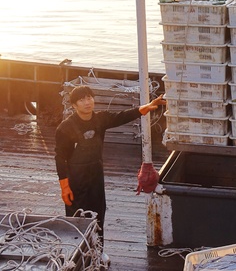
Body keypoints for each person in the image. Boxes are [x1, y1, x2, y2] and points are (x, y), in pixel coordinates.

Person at [54, 85, 166, 265]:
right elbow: (60, 158)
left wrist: (144, 108)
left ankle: (98, 251)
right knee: (77, 216)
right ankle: (76, 254)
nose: (87, 102)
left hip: (96, 174)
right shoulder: (65, 128)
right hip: (76, 177)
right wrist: (64, 186)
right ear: (74, 105)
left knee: (98, 213)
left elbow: (121, 116)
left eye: (89, 97)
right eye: (82, 100)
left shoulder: (100, 119)